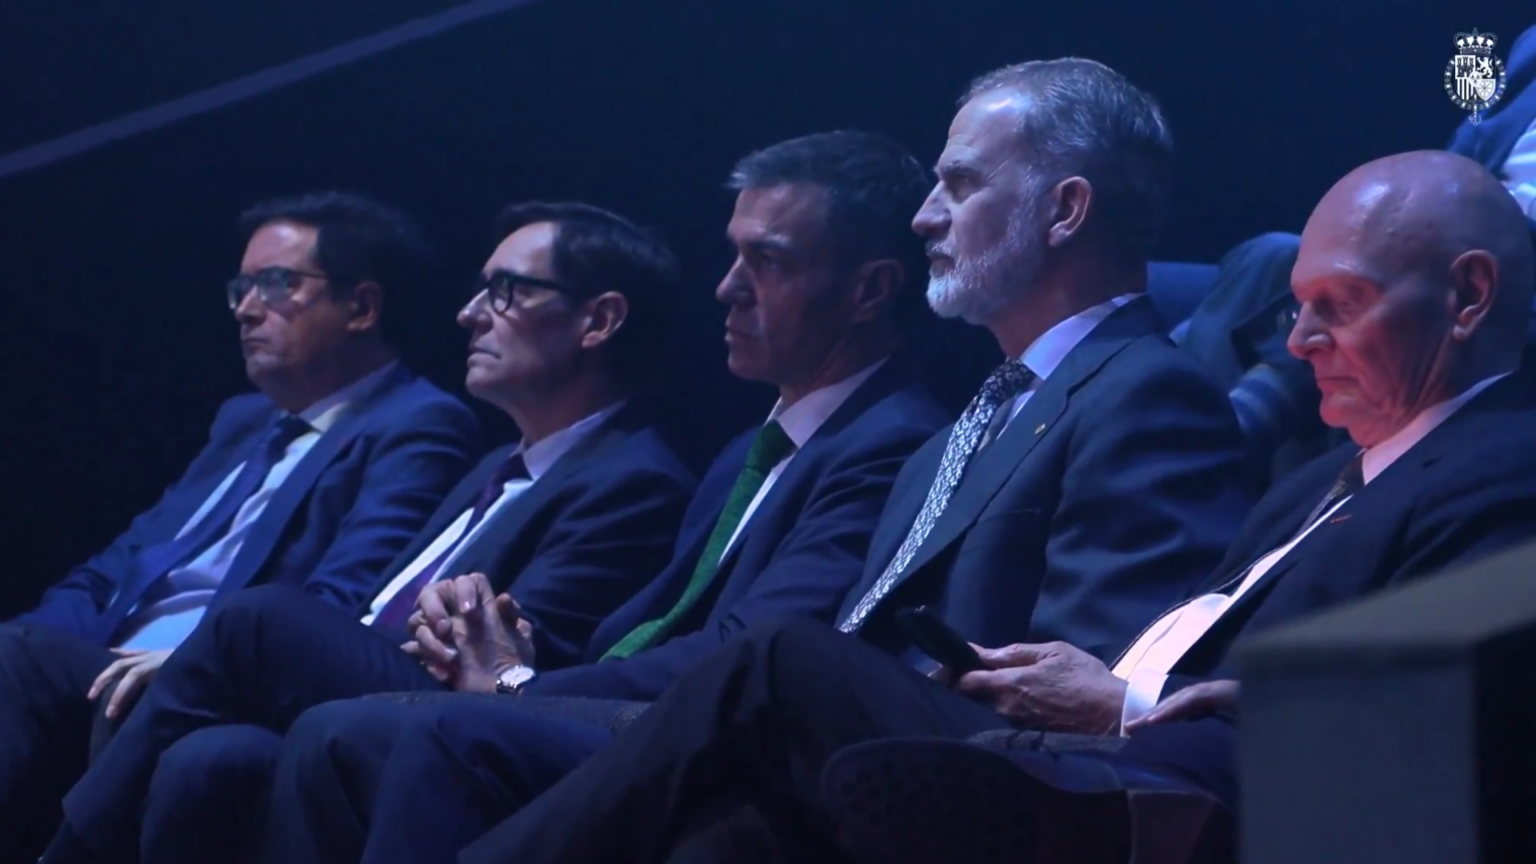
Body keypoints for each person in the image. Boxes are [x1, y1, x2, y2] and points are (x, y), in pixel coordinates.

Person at [256, 56, 1256, 864]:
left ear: (1065, 210)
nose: (926, 217)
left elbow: (1077, 681)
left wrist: (528, 690)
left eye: (959, 184)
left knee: (447, 732)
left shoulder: (1148, 392)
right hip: (817, 738)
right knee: (362, 738)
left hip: (959, 773)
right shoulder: (961, 431)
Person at [475, 148, 1536, 864]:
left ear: (1469, 296)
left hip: (1177, 788)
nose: (1299, 342)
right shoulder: (1315, 483)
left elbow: (1433, 727)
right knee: (730, 829)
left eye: (1339, 305)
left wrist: (1117, 704)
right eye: (1297, 308)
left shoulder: (1506, 469)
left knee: (784, 661)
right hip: (1076, 749)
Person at [42, 131, 952, 864]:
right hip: (578, 698)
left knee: (262, 626)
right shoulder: (740, 456)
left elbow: (745, 653)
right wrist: (508, 649)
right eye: (732, 257)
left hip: (687, 735)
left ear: (869, 290)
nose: (728, 288)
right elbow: (632, 630)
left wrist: (518, 678)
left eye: (767, 261)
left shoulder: (881, 440)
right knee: (218, 753)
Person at [37, 201, 699, 864]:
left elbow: (503, 657)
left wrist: (247, 658)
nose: (469, 314)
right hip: (368, 684)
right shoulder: (492, 468)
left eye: (506, 290)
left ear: (599, 321)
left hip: (465, 710)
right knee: (210, 758)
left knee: (258, 620)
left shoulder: (632, 480)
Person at [0, 191, 482, 861]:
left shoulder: (418, 424)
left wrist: (194, 661)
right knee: (16, 651)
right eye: (241, 288)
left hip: (213, 673)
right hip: (112, 658)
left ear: (362, 307)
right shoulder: (243, 419)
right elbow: (116, 567)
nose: (246, 309)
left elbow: (341, 599)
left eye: (276, 285)